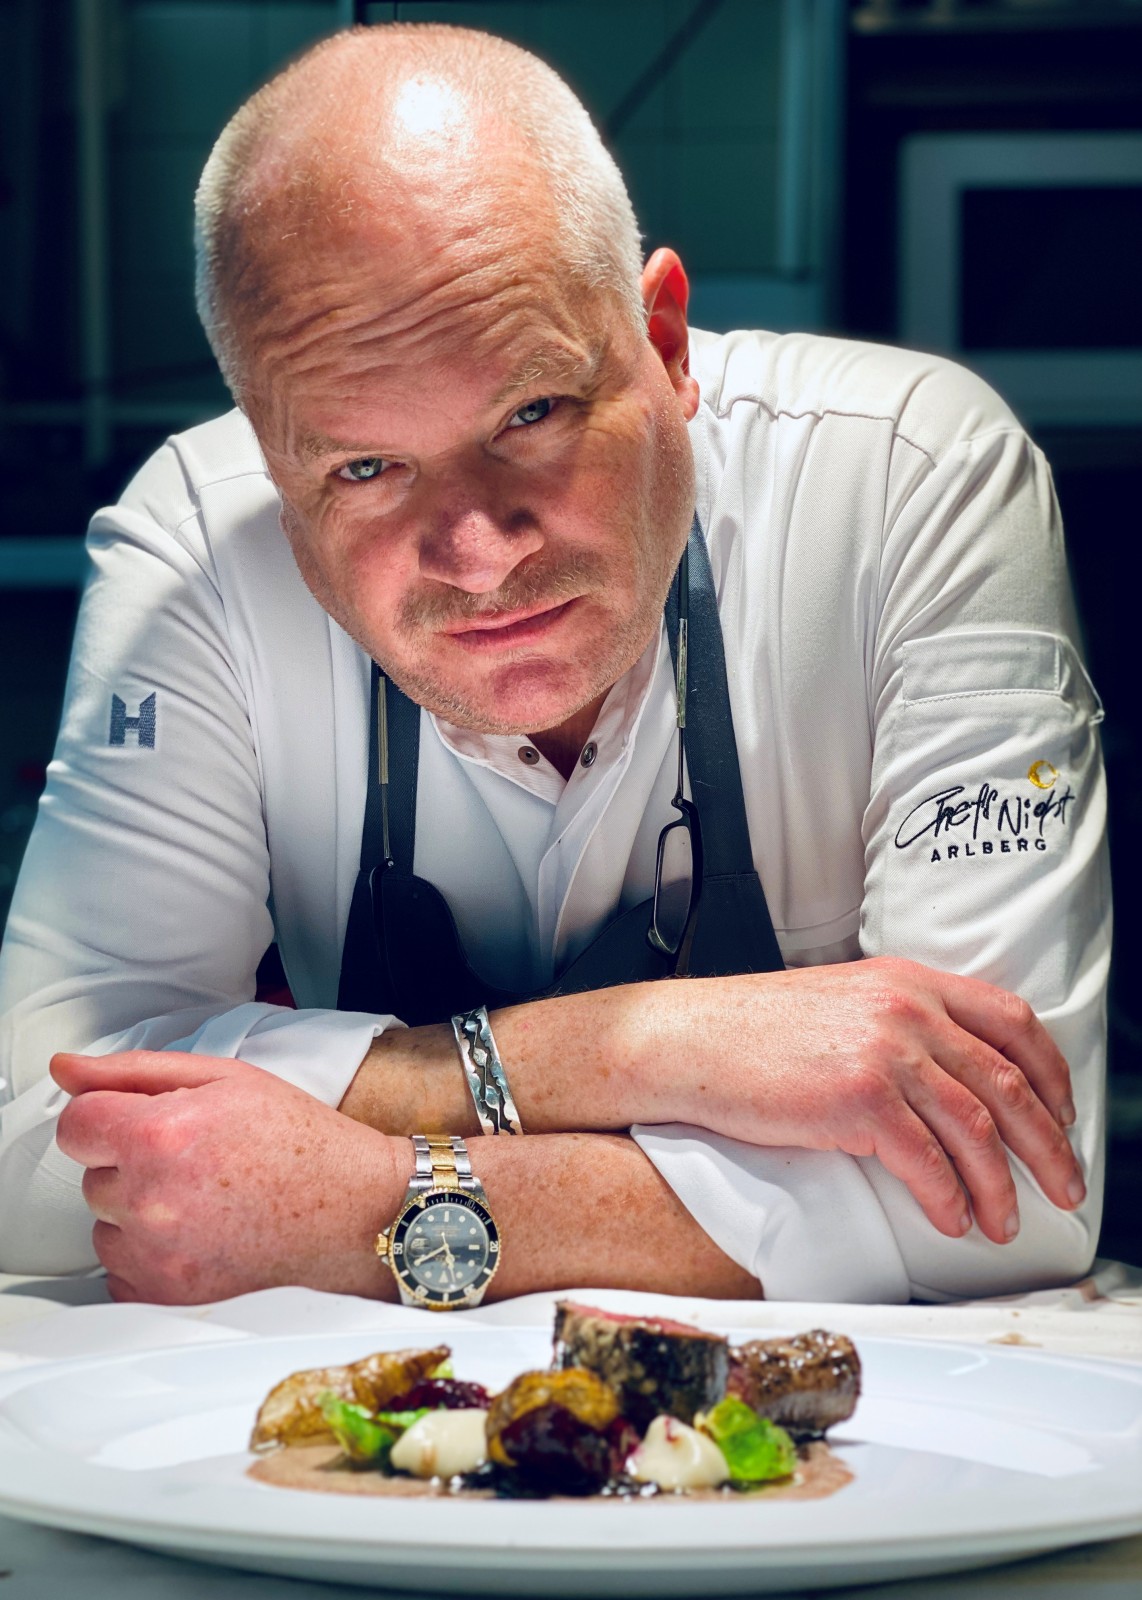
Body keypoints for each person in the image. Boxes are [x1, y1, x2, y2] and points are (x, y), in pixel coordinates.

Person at [0, 23, 1107, 1307]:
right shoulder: (196, 545)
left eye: (530, 415)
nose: (476, 557)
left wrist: (366, 1205)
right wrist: (639, 1047)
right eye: (363, 469)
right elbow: (35, 1134)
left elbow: (1014, 1185)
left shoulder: (910, 478)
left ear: (665, 344)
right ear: (271, 456)